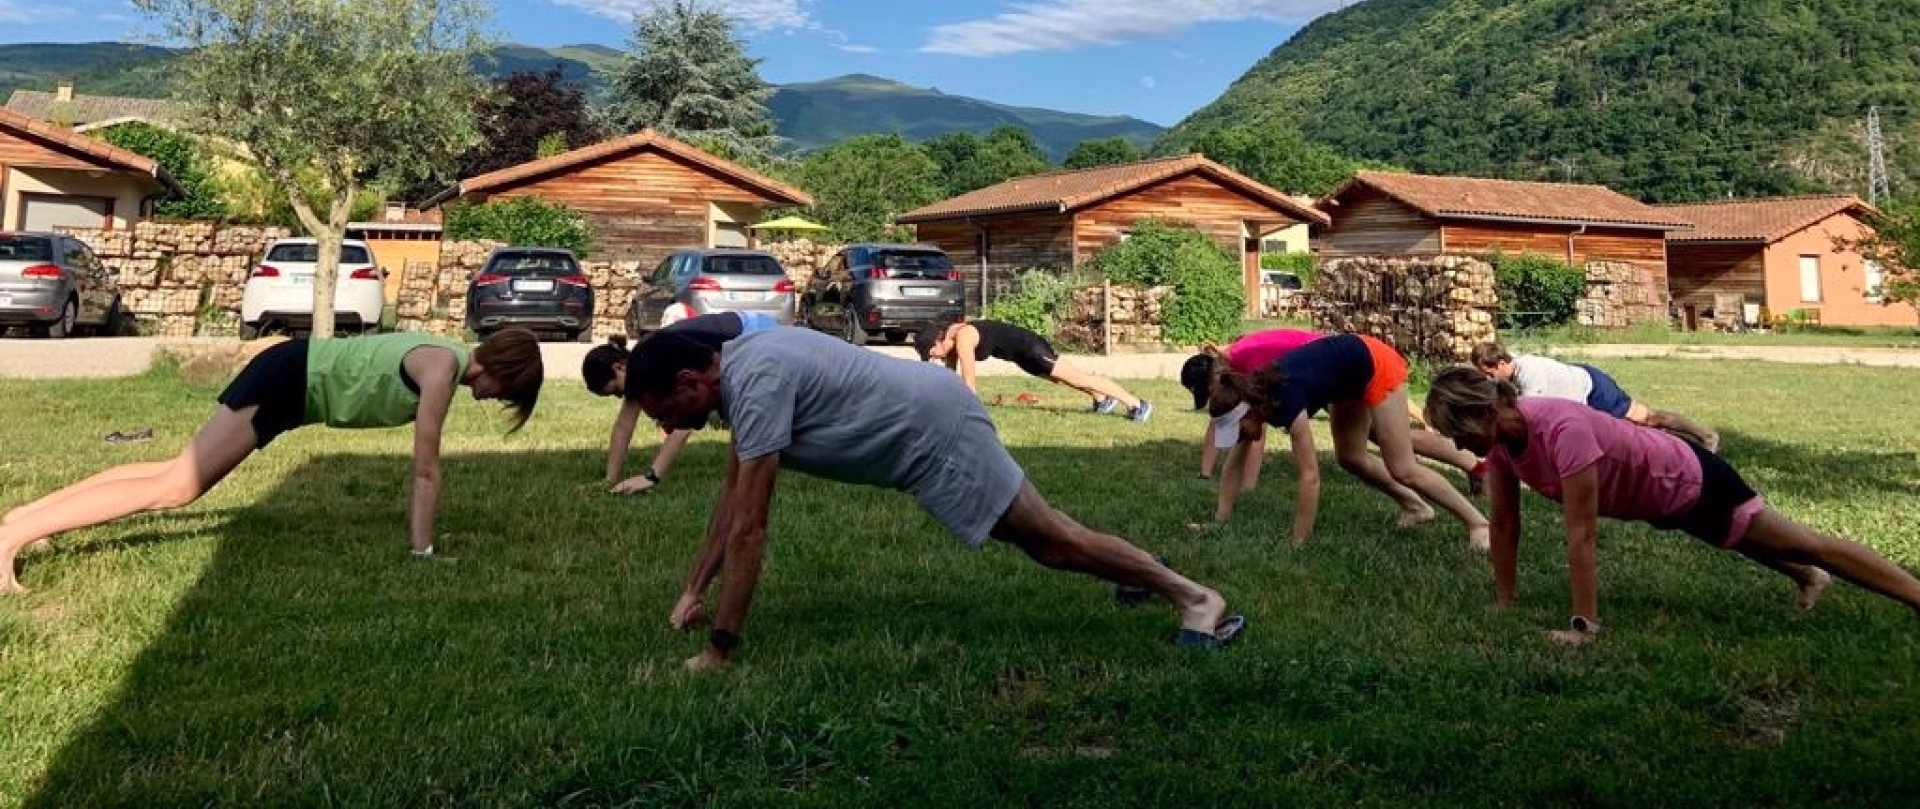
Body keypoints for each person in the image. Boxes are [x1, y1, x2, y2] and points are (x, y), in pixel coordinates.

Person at [625, 328, 1246, 669]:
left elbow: (750, 531)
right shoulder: (741, 369)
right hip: (928, 422)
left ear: (688, 380)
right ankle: (1151, 576)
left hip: (936, 433)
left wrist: (720, 648)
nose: (667, 427)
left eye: (665, 412)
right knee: (1051, 540)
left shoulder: (755, 384)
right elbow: (730, 503)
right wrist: (693, 590)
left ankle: (1195, 597)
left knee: (1052, 542)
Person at [1, 329, 544, 591]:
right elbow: (426, 468)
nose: (497, 398)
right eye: (506, 390)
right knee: (177, 486)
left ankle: (24, 520)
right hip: (289, 379)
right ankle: (11, 537)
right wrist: (423, 553)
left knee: (172, 469)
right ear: (499, 367)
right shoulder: (441, 369)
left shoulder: (444, 354)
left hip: (293, 378)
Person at [1423, 366, 1920, 640]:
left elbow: (1582, 534)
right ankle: (1808, 578)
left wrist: (1583, 626)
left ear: (1488, 411)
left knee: (1806, 542)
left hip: (1692, 479)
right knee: (1741, 539)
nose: (1460, 446)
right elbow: (1506, 527)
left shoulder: (1561, 429)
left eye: (1459, 433)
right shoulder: (1506, 445)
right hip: (1663, 502)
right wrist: (1505, 604)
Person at [1212, 332, 1490, 549]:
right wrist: (1219, 521)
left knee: (1403, 467)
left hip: (1375, 364)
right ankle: (1417, 507)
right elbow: (1234, 465)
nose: (1238, 437)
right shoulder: (1252, 397)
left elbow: (1310, 477)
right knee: (1350, 456)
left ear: (1246, 412)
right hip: (1346, 379)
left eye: (1237, 429)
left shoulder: (1284, 400)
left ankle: (1478, 524)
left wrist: (1297, 545)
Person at [1184, 328, 1485, 493]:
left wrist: (1248, 486)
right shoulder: (1232, 371)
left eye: (1206, 391)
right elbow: (1233, 428)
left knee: (1390, 441)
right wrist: (1205, 473)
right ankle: (1423, 498)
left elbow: (1254, 432)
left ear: (1214, 376)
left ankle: (1472, 465)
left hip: (1338, 365)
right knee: (1355, 453)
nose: (1210, 397)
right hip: (1326, 376)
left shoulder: (1244, 365)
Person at [583, 311, 785, 494]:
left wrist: (651, 476)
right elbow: (623, 427)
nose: (622, 397)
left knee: (760, 419)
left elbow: (684, 420)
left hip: (759, 334)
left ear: (620, 367)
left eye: (617, 391)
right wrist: (610, 481)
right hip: (755, 333)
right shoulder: (641, 365)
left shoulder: (652, 363)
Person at [1468, 341, 1718, 451]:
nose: (1488, 380)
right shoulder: (1513, 372)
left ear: (1501, 363)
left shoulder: (1530, 373)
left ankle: (1705, 436)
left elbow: (1528, 416)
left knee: (1647, 419)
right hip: (1582, 388)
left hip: (1592, 388)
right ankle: (1686, 446)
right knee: (1635, 432)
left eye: (1488, 373)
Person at [914, 318, 1153, 422]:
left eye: (930, 352)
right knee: (1061, 379)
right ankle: (1100, 399)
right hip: (1020, 357)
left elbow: (969, 386)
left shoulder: (963, 339)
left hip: (1030, 347)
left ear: (937, 341)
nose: (932, 357)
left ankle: (1136, 404)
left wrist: (966, 415)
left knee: (1076, 377)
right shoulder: (952, 342)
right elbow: (949, 379)